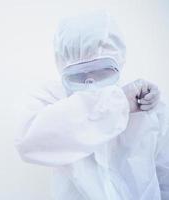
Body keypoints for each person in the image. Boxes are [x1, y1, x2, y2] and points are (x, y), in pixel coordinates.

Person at [14, 11, 169, 200]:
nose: (91, 82)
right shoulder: (52, 98)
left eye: (103, 70)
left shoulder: (143, 101)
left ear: (119, 61)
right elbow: (27, 141)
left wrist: (138, 104)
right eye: (78, 75)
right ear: (62, 66)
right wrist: (118, 103)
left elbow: (164, 171)